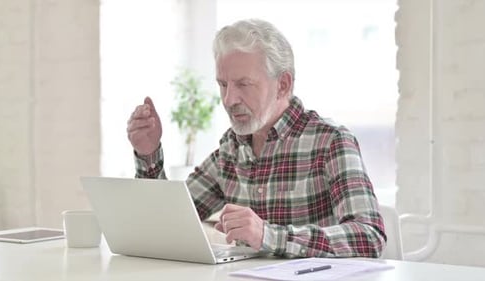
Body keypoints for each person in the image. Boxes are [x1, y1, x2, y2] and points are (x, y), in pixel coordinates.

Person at [127, 18, 386, 258]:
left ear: (282, 85)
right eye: (223, 85)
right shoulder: (231, 148)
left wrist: (268, 235)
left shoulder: (331, 141)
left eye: (243, 84)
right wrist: (149, 153)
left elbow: (369, 237)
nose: (229, 100)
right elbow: (166, 225)